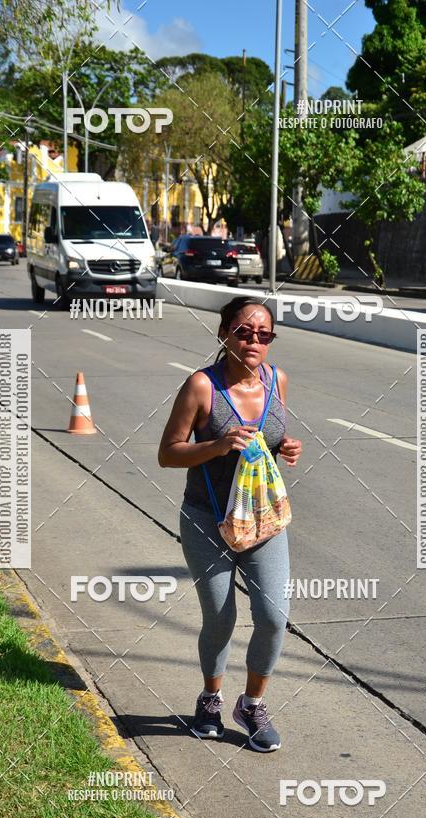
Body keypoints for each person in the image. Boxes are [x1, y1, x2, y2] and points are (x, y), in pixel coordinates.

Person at [158, 296, 302, 752]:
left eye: (264, 334)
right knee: (220, 618)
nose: (254, 340)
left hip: (262, 520)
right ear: (224, 334)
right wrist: (219, 445)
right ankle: (211, 698)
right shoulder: (202, 386)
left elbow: (269, 440)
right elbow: (168, 453)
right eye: (244, 331)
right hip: (207, 520)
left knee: (274, 617)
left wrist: (286, 448)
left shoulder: (276, 379)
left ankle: (252, 704)